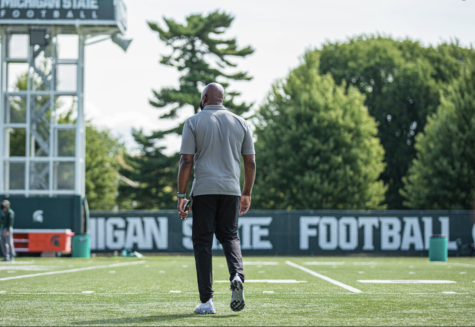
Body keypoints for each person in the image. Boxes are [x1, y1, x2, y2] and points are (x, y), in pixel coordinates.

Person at [177, 83, 256, 314]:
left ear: (204, 98)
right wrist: (247, 192)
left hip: (204, 190)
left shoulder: (193, 122)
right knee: (230, 236)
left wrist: (181, 195)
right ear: (222, 98)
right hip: (231, 190)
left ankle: (207, 301)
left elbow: (186, 161)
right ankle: (237, 275)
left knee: (203, 243)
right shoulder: (241, 122)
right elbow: (250, 162)